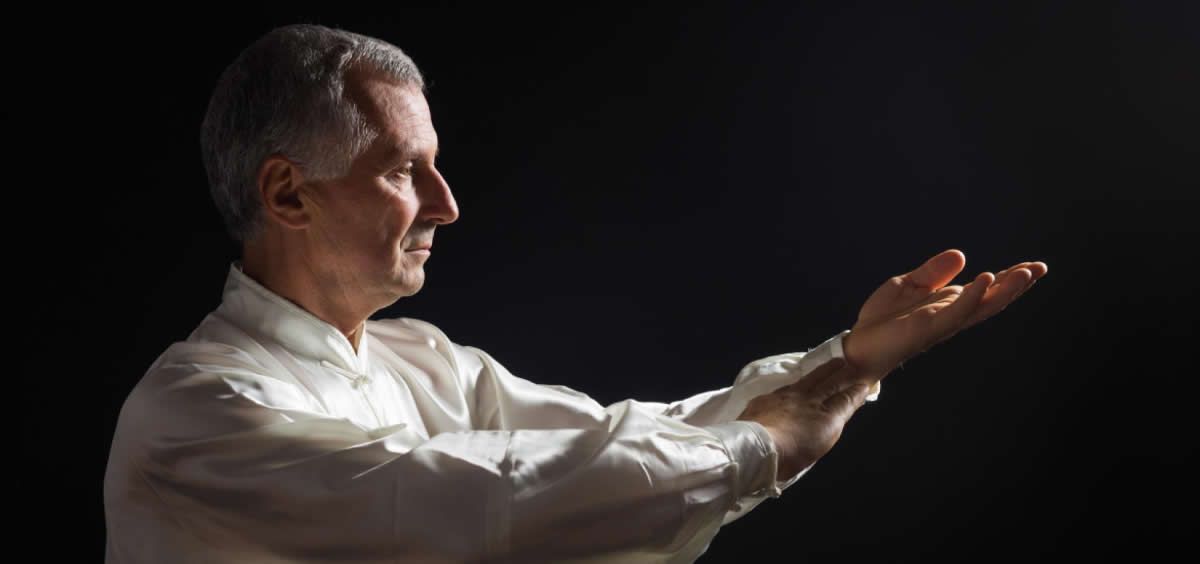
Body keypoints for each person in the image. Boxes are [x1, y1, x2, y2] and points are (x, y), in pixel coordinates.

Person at [103, 23, 1047, 563]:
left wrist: (846, 365)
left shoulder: (423, 362)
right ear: (287, 194)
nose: (447, 204)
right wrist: (764, 442)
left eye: (437, 165)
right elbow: (494, 501)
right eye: (402, 171)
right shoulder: (196, 412)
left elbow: (626, 446)